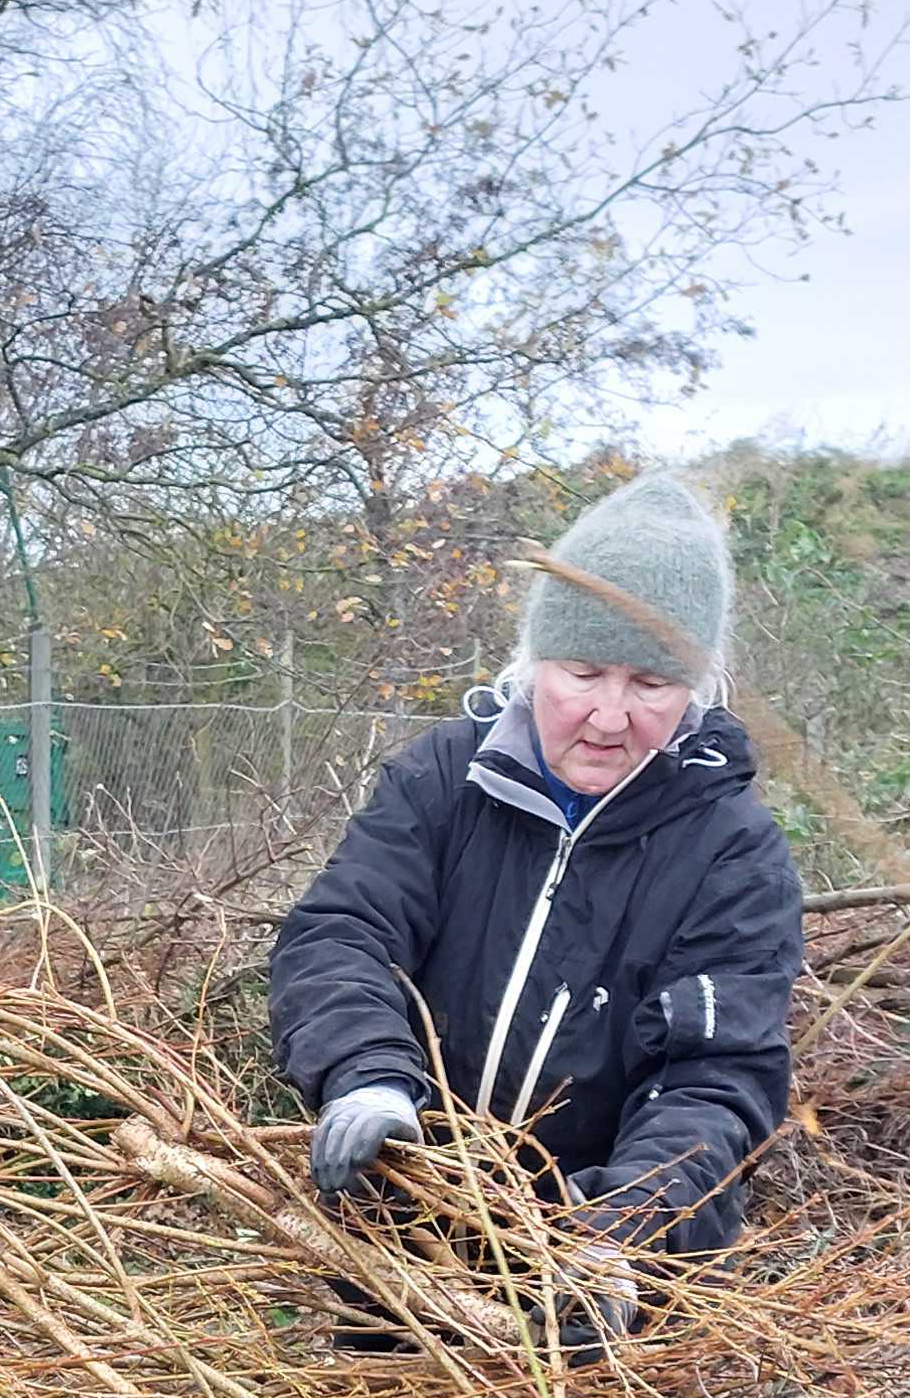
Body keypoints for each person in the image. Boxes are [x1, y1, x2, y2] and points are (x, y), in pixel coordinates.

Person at [265, 470, 803, 1318]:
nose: (609, 717)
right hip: (407, 1233)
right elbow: (343, 935)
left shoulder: (733, 851)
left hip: (596, 1281)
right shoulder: (444, 781)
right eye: (583, 672)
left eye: (651, 684)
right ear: (535, 662)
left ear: (695, 689)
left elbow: (714, 1076)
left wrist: (621, 1238)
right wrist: (368, 1078)